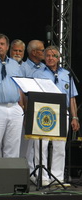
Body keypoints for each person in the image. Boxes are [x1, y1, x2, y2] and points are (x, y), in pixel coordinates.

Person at [32, 45, 80, 185]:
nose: (50, 58)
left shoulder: (66, 74)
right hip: (43, 111)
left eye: (53, 56)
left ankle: (57, 177)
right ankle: (43, 177)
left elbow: (71, 98)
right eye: (47, 56)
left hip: (61, 111)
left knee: (60, 145)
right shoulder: (38, 73)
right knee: (42, 144)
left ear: (59, 58)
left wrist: (75, 117)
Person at [19, 40, 46, 178]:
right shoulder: (23, 67)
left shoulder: (44, 68)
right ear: (34, 52)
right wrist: (25, 110)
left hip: (42, 111)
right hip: (28, 108)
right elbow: (21, 91)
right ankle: (24, 173)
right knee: (25, 144)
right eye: (42, 50)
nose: (44, 52)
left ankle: (36, 173)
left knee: (38, 144)